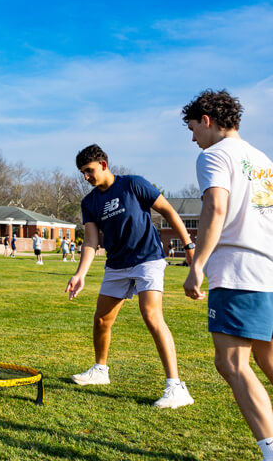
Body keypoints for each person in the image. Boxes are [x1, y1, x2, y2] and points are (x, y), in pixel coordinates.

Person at [65, 144, 195, 409]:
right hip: (116, 264)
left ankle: (176, 387)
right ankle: (100, 371)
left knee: (151, 315)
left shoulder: (133, 184)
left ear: (103, 164)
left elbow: (168, 211)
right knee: (102, 319)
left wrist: (189, 246)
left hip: (148, 259)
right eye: (82, 173)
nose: (86, 177)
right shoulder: (89, 202)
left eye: (89, 171)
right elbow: (90, 241)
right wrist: (81, 274)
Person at [181, 89, 273, 461]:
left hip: (238, 272)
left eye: (192, 129)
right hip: (267, 270)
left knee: (232, 363)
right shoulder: (262, 158)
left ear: (207, 120)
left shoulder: (214, 155)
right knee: (267, 358)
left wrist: (197, 264)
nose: (192, 139)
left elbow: (216, 208)